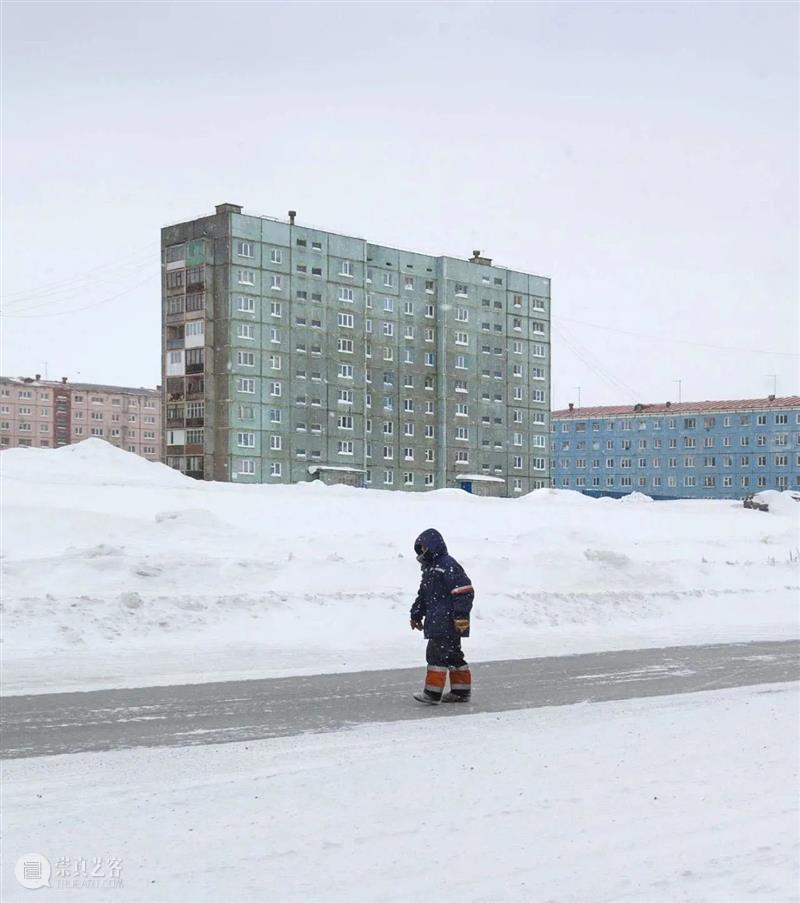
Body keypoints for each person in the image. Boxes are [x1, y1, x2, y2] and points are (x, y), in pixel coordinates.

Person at [409, 528, 474, 704]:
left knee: (435, 654)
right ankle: (461, 692)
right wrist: (416, 614)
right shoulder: (430, 570)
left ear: (432, 545)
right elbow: (423, 596)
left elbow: (464, 591)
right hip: (439, 620)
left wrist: (460, 615)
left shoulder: (447, 565)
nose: (421, 552)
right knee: (452, 655)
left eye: (423, 548)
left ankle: (432, 693)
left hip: (447, 620)